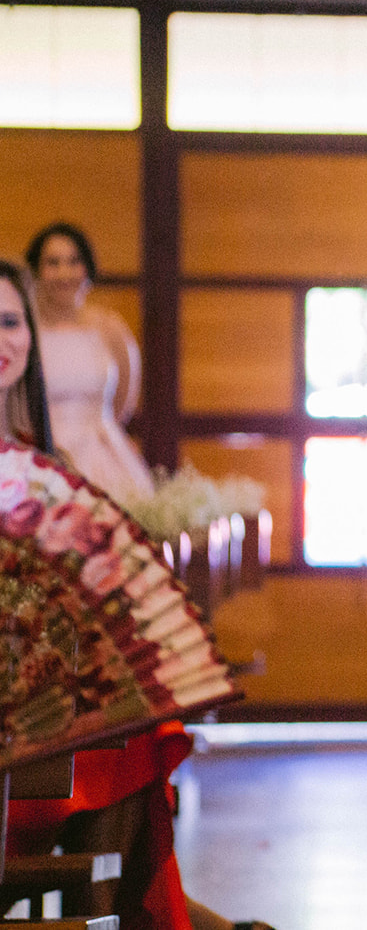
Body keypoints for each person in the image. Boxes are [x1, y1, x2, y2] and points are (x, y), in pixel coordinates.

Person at [0, 257, 263, 930]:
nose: (1, 340)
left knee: (139, 727)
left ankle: (143, 911)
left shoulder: (38, 458)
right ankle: (165, 917)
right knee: (112, 746)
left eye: (9, 322)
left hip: (33, 707)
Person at [25, 221, 155, 505]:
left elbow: (125, 398)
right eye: (53, 263)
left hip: (104, 453)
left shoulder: (109, 327)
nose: (64, 273)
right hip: (47, 455)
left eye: (73, 261)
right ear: (37, 270)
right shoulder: (26, 331)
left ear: (87, 267)